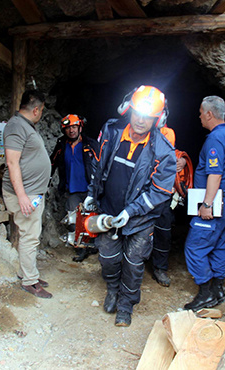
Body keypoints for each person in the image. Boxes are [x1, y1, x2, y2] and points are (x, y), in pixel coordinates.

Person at [84, 85, 176, 327]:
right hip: (108, 211)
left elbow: (160, 191)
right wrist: (91, 194)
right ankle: (113, 290)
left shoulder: (164, 151)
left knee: (134, 264)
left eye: (148, 117)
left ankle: (126, 305)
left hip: (140, 220)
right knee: (108, 258)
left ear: (158, 119)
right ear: (128, 109)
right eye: (137, 113)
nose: (141, 121)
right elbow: (98, 164)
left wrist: (131, 211)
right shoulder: (112, 131)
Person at [183, 96, 225, 312]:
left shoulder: (214, 139)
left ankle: (205, 294)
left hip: (217, 201)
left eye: (201, 112)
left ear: (210, 114)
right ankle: (219, 289)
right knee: (221, 244)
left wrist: (208, 204)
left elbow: (214, 173)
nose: (200, 116)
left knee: (195, 246)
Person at [2, 89, 53, 299]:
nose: (40, 114)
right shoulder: (16, 126)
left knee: (31, 235)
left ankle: (29, 273)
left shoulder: (24, 126)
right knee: (29, 237)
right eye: (40, 110)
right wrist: (22, 196)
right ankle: (29, 281)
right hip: (25, 193)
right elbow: (12, 162)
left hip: (33, 191)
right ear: (36, 109)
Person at [50, 114, 99, 262]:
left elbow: (102, 164)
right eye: (68, 128)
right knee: (74, 221)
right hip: (72, 190)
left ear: (79, 127)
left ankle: (95, 245)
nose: (71, 130)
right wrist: (45, 181)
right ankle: (81, 249)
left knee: (93, 220)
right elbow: (51, 164)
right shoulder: (61, 146)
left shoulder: (90, 144)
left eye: (74, 127)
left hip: (91, 190)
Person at [149, 126, 189, 287]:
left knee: (163, 234)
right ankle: (132, 266)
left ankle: (160, 268)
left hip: (164, 199)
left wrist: (184, 160)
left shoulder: (170, 137)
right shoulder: (140, 140)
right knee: (137, 232)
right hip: (141, 196)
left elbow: (177, 155)